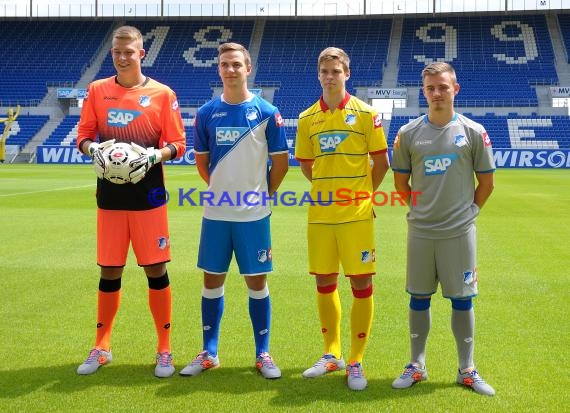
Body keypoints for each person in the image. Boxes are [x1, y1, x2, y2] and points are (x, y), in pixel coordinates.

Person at [75, 25, 186, 378]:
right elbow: (83, 136)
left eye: (129, 52)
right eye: (117, 53)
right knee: (110, 270)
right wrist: (96, 149)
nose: (123, 58)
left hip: (149, 198)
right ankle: (101, 346)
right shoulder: (97, 91)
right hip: (110, 197)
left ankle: (164, 350)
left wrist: (152, 156)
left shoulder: (162, 94)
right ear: (112, 55)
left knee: (156, 269)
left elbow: (178, 144)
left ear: (142, 54)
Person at [179, 42, 289, 379]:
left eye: (236, 64)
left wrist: (260, 195)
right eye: (225, 64)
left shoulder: (267, 112)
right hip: (216, 214)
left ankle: (263, 354)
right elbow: (202, 164)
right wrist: (222, 193)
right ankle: (209, 352)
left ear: (248, 68)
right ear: (219, 68)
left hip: (253, 215)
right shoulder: (206, 113)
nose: (230, 70)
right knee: (211, 279)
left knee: (256, 281)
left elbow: (281, 164)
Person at [390, 62, 496, 396]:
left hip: (459, 234)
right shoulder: (408, 133)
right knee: (418, 298)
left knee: (462, 300)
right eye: (430, 88)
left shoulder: (473, 132)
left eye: (443, 87)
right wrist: (419, 209)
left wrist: (471, 211)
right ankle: (416, 365)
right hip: (421, 232)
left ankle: (467, 368)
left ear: (455, 89)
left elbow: (487, 182)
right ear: (424, 92)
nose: (437, 94)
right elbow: (400, 181)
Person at [295, 47, 390, 391]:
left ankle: (356, 360)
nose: (330, 76)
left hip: (357, 215)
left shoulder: (366, 114)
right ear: (318, 75)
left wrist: (362, 193)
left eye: (336, 71)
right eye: (324, 71)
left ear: (347, 74)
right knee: (323, 280)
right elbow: (306, 165)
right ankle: (331, 353)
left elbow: (381, 162)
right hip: (321, 214)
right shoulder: (307, 118)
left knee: (361, 283)